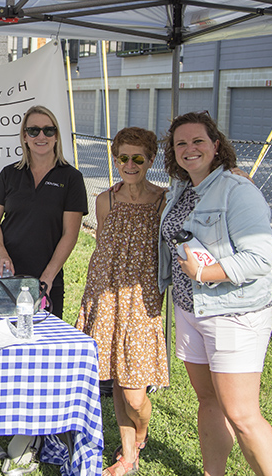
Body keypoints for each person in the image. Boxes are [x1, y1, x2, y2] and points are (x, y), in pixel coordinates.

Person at [159, 111, 272, 476]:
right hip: (190, 310)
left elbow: (260, 258)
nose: (189, 149)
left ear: (216, 145)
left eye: (197, 141)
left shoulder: (237, 190)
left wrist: (204, 272)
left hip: (233, 314)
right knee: (208, 400)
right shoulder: (186, 187)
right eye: (180, 143)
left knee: (243, 414)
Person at [75, 127, 169, 476]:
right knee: (114, 373)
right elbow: (103, 245)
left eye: (138, 158)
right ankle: (128, 456)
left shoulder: (163, 200)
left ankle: (140, 433)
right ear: (116, 159)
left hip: (141, 300)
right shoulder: (105, 200)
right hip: (105, 293)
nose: (130, 164)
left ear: (151, 160)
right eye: (123, 158)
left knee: (134, 394)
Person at [0, 105, 88, 318]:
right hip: (5, 278)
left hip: (45, 280)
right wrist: (1, 254)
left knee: (43, 344)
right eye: (34, 131)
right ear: (25, 137)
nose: (42, 136)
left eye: (49, 130)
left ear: (57, 136)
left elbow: (70, 234)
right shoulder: (9, 174)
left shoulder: (71, 178)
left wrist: (48, 277)